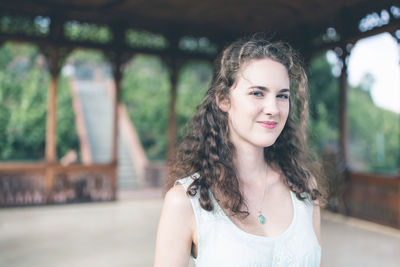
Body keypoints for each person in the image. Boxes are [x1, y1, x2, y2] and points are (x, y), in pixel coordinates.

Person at [154, 35, 324, 267]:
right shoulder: (184, 201)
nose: (273, 109)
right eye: (257, 93)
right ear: (223, 100)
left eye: (282, 96)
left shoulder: (304, 187)